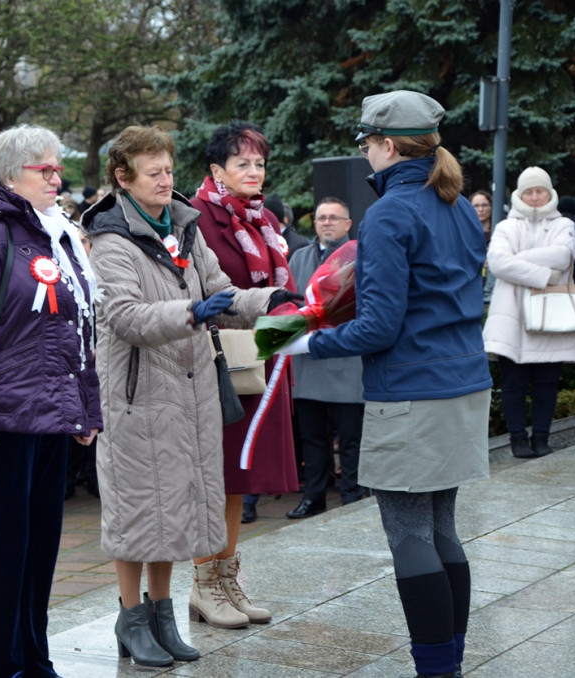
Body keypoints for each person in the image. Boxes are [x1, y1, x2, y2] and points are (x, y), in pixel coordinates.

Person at [285, 90, 492, 678]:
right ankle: (448, 661)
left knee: (409, 535)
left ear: (388, 146)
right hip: (462, 384)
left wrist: (305, 341)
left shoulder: (391, 212)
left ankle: (436, 669)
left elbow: (378, 326)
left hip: (411, 390)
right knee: (441, 529)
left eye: (368, 144)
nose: (366, 153)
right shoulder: (452, 202)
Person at [84, 125, 290, 666]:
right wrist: (190, 311)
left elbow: (219, 293)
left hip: (190, 391)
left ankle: (163, 616)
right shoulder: (109, 239)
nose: (165, 180)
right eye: (153, 173)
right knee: (136, 515)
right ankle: (132, 620)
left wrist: (270, 299)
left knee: (173, 511)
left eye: (169, 170)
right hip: (136, 398)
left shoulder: (184, 228)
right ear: (123, 178)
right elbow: (125, 316)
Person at [0, 124, 101, 678]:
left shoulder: (53, 231)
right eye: (45, 169)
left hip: (51, 416)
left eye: (59, 169)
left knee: (39, 553)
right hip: (4, 418)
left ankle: (32, 658)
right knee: (3, 556)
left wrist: (85, 409)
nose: (58, 178)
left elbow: (78, 327)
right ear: (11, 174)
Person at [188, 119, 300, 628]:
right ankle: (203, 581)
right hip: (220, 361)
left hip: (260, 357)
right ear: (217, 170)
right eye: (242, 163)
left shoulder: (263, 221)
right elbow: (204, 294)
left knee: (238, 477)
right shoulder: (200, 220)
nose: (254, 171)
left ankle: (229, 577)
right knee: (210, 476)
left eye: (259, 163)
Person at [483, 167, 575, 458]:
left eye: (540, 191)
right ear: (520, 194)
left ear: (550, 193)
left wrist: (518, 262)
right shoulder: (505, 227)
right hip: (511, 317)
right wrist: (544, 275)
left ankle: (541, 438)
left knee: (546, 383)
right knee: (513, 384)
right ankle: (517, 440)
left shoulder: (564, 225)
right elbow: (498, 264)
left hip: (550, 315)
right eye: (530, 191)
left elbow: (563, 256)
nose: (536, 197)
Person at [286, 197, 365, 519]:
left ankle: (353, 495)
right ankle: (314, 497)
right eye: (321, 218)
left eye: (334, 217)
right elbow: (289, 301)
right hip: (308, 361)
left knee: (351, 439)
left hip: (347, 360)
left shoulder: (361, 256)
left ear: (348, 224)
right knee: (312, 439)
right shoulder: (299, 257)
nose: (327, 222)